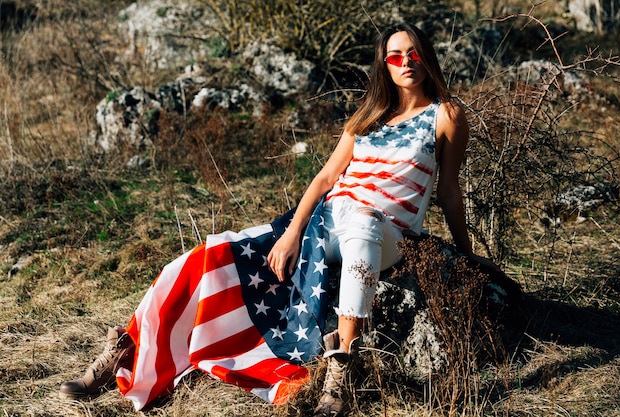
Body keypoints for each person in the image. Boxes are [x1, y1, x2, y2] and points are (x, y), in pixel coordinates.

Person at [60, 22, 499, 417]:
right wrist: (291, 234)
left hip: (389, 232)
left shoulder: (446, 114)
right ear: (383, 64)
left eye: (415, 52)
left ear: (428, 56)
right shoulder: (367, 117)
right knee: (217, 251)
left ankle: (341, 369)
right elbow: (327, 176)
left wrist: (468, 256)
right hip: (327, 220)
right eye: (396, 55)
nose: (407, 62)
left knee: (364, 223)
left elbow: (448, 192)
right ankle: (128, 347)